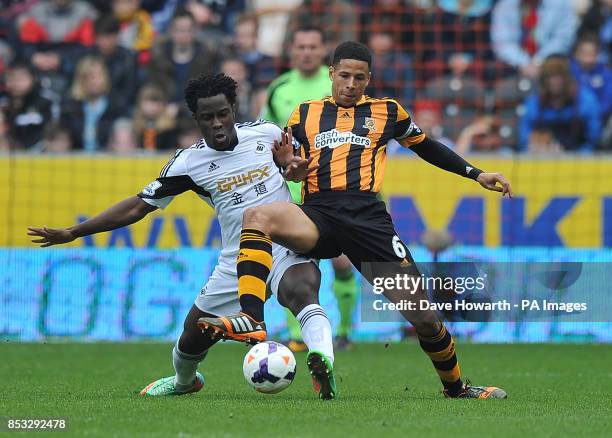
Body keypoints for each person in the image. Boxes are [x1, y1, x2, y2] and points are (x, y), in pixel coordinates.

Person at [199, 42, 512, 399]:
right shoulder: (304, 114)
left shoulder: (388, 112)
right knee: (256, 216)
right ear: (331, 74)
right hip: (318, 214)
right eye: (344, 75)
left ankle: (455, 387)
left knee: (423, 317)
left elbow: (427, 146)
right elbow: (292, 169)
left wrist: (476, 173)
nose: (350, 83)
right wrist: (292, 167)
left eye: (359, 77)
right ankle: (252, 318)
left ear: (368, 79)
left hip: (368, 222)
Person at [27, 73, 338, 400]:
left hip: (283, 245)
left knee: (301, 290)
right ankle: (184, 381)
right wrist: (74, 232)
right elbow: (137, 207)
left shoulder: (267, 134)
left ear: (233, 109)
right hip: (237, 259)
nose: (217, 123)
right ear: (196, 119)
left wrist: (292, 167)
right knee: (193, 335)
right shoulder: (188, 163)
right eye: (208, 118)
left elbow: (305, 166)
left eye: (223, 114)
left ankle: (323, 361)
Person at [262, 25, 360, 352]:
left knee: (343, 262)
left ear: (323, 52)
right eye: (300, 46)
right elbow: (269, 139)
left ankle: (345, 331)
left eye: (312, 46)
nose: (306, 52)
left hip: (337, 191)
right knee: (295, 264)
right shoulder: (279, 89)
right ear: (292, 50)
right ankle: (299, 337)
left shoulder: (338, 83)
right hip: (292, 194)